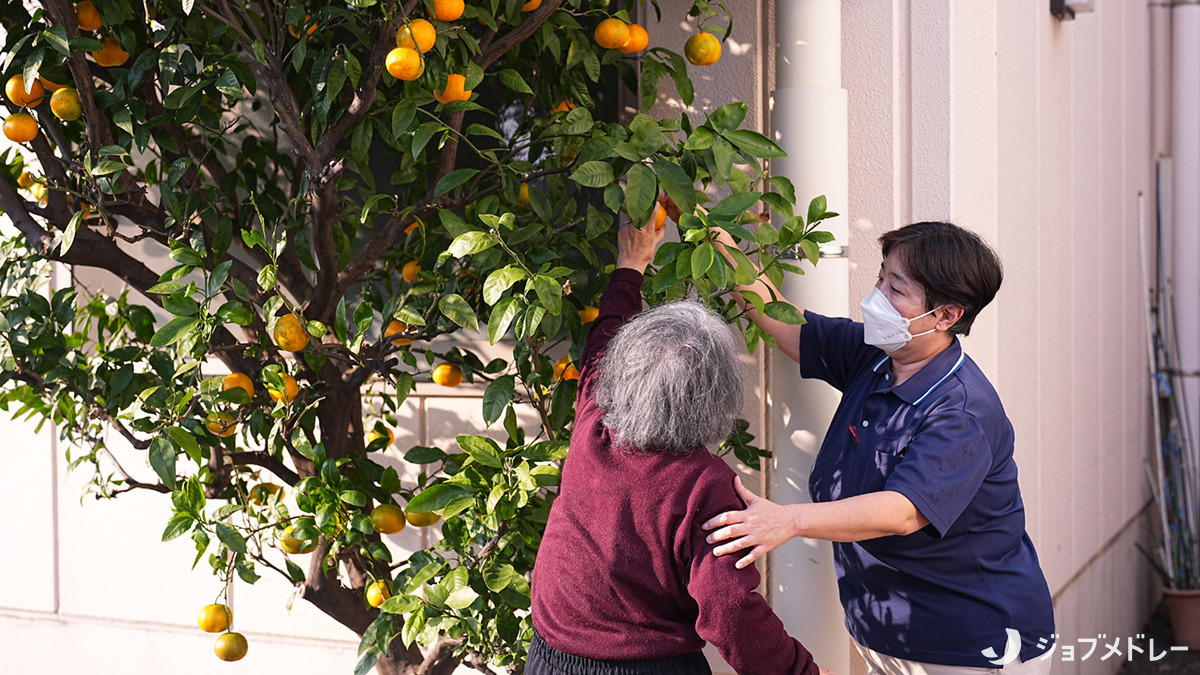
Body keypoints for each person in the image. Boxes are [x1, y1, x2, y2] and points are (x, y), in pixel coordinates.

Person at [700, 221, 1055, 674]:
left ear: (946, 315)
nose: (876, 296)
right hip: (890, 632)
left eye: (896, 288)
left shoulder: (961, 410)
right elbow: (783, 321)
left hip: (970, 646)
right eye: (880, 278)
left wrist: (789, 520)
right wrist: (709, 233)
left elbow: (902, 512)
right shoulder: (878, 357)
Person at [528, 204, 832, 675]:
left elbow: (603, 340)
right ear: (717, 397)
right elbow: (731, 613)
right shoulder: (704, 485)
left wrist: (631, 265)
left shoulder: (595, 422)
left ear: (624, 373)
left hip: (550, 658)